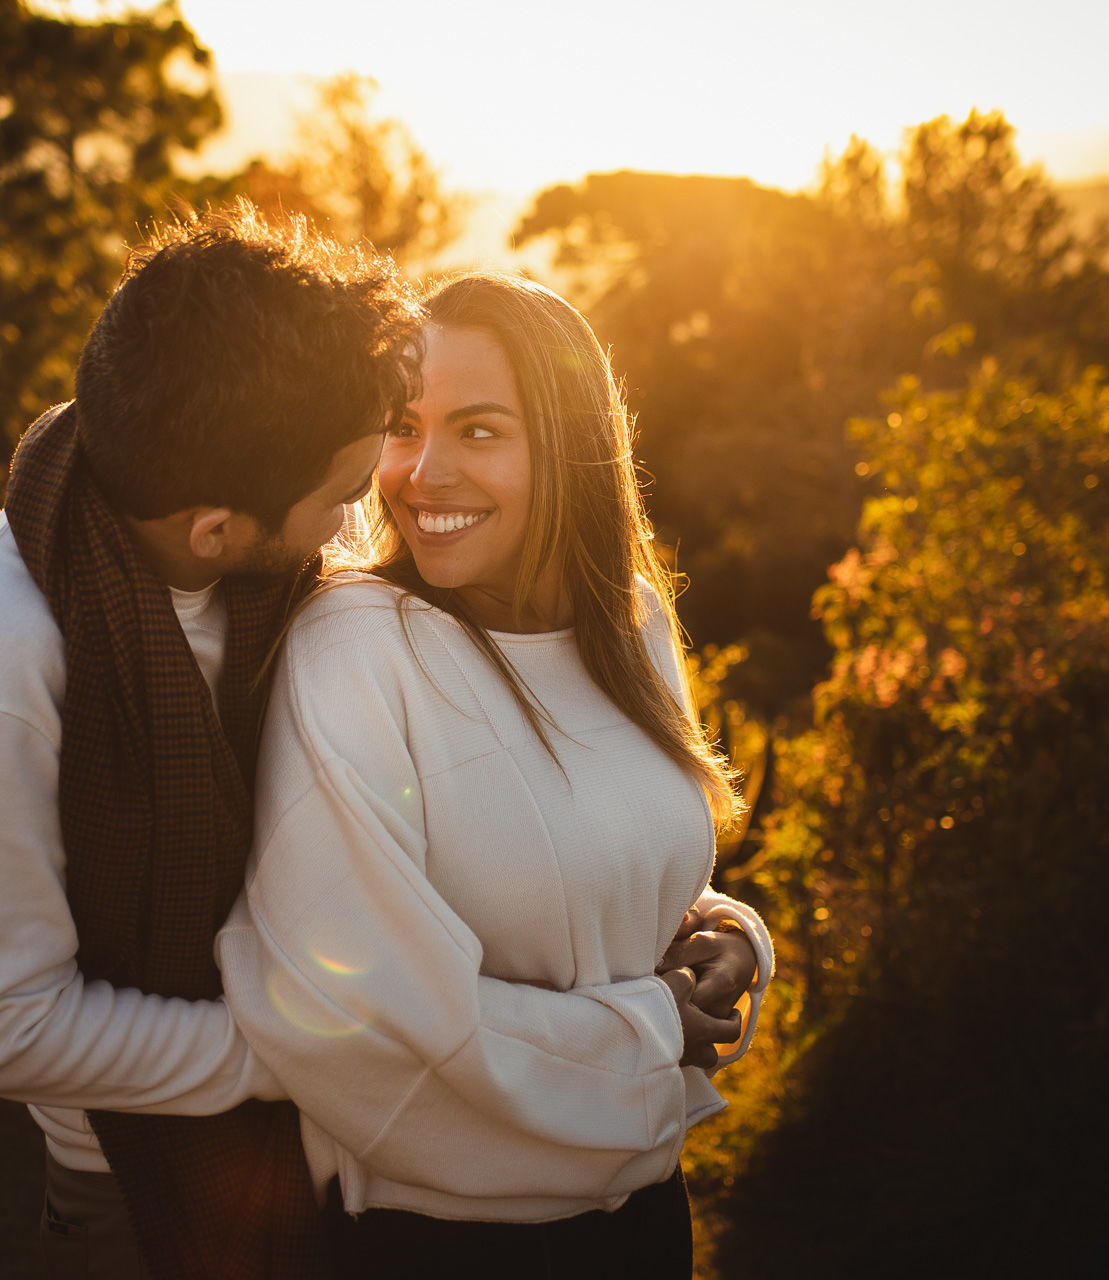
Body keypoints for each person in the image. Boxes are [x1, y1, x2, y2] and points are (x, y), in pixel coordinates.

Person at [0, 203, 425, 1278]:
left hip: (371, 1157)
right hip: (142, 1199)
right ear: (213, 529)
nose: (367, 514)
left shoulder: (280, 532)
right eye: (344, 491)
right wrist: (305, 1050)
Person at [217, 271, 776, 1277]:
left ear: (566, 446)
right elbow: (362, 1011)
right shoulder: (355, 646)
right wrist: (654, 1028)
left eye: (479, 430)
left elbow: (600, 863)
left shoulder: (633, 622)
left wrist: (727, 935)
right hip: (437, 1244)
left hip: (648, 1221)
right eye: (403, 426)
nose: (423, 472)